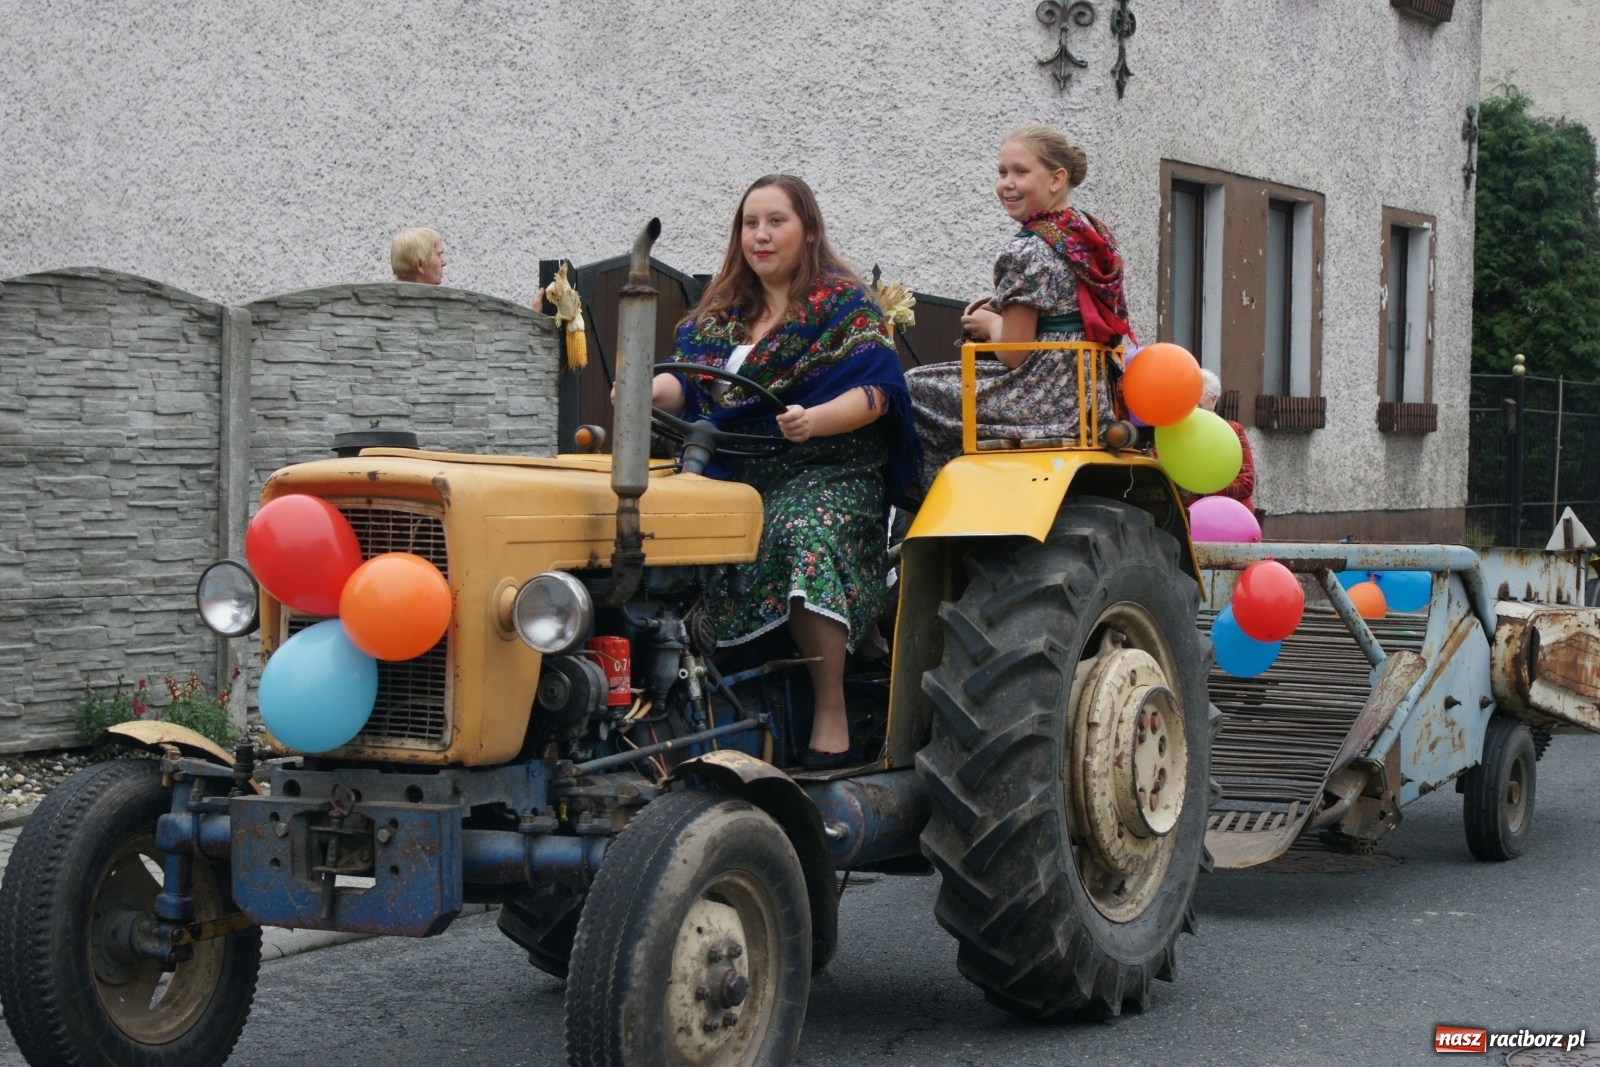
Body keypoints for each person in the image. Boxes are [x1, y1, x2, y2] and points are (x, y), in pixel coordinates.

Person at [650, 174, 918, 769]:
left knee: (802, 531)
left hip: (827, 468)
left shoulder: (844, 307)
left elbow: (880, 391)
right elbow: (688, 383)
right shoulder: (720, 315)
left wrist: (815, 420)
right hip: (735, 467)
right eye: (751, 224)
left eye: (777, 222)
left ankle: (831, 711)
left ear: (809, 230)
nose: (761, 236)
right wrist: (646, 390)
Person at [904, 125, 1133, 502]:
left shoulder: (1027, 250)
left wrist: (990, 322)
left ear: (1057, 178)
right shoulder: (1088, 233)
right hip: (1089, 391)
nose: (1007, 184)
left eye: (1020, 172)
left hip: (1042, 392)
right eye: (1002, 172)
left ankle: (937, 502)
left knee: (909, 389)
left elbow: (1013, 352)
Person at [1194, 368, 1256, 512]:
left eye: (1198, 393)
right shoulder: (1175, 434)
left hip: (1228, 518)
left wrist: (1201, 491)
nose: (1192, 399)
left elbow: (1246, 483)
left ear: (1213, 399)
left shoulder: (1233, 431)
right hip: (1186, 520)